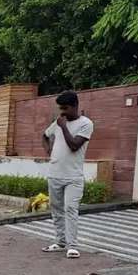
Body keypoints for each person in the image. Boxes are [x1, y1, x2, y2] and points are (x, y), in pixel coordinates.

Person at [41, 91, 93, 259]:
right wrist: (49, 150)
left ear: (75, 106)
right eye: (60, 108)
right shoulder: (56, 123)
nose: (62, 112)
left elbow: (74, 145)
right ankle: (60, 242)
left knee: (70, 209)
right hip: (54, 174)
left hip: (73, 177)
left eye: (65, 108)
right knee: (56, 210)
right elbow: (44, 135)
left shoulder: (86, 124)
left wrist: (63, 127)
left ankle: (72, 246)